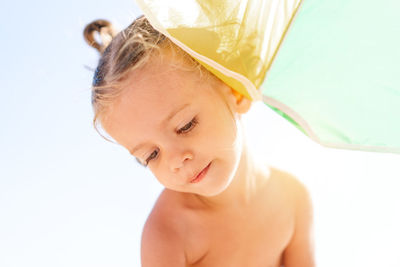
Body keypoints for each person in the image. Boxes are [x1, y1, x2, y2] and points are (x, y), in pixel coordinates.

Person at [84, 16, 315, 267]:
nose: (175, 160)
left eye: (185, 126)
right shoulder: (169, 235)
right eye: (151, 155)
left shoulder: (293, 199)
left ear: (235, 90)